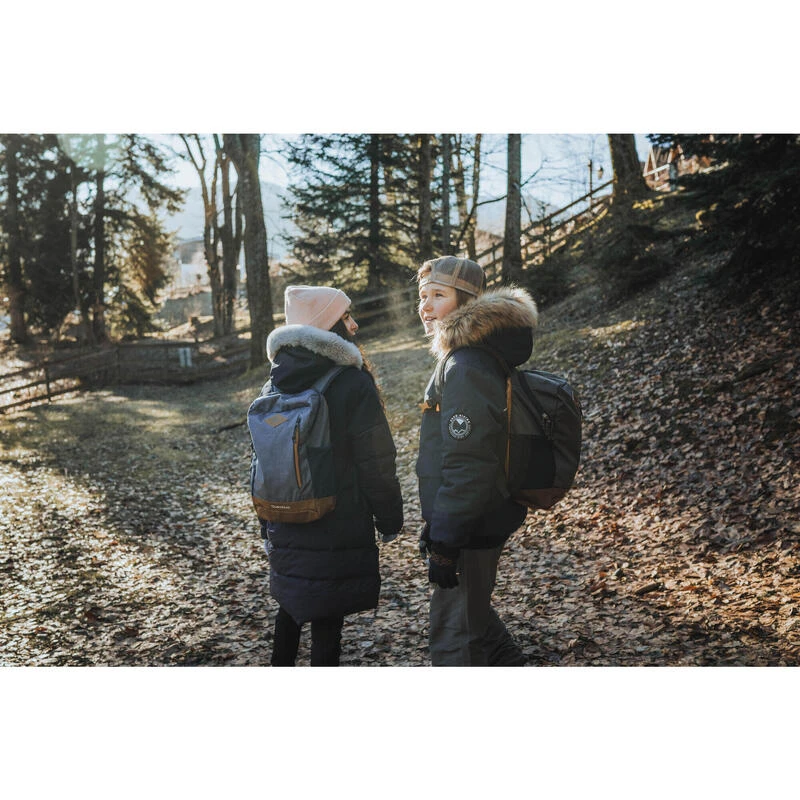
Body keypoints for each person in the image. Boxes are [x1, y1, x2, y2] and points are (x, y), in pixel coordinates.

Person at [261, 285, 404, 666]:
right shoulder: (351, 382)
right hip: (338, 518)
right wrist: (389, 518)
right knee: (327, 622)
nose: (354, 326)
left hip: (284, 518)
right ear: (326, 326)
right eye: (345, 317)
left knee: (290, 607)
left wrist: (266, 524)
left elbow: (266, 461)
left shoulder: (274, 383)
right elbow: (376, 460)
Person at [415, 255, 539, 666]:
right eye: (422, 296)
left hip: (472, 522)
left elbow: (469, 462)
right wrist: (439, 524)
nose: (425, 307)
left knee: (454, 639)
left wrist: (446, 540)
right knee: (474, 615)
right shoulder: (465, 357)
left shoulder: (466, 364)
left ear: (467, 302)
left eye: (438, 295)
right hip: (469, 517)